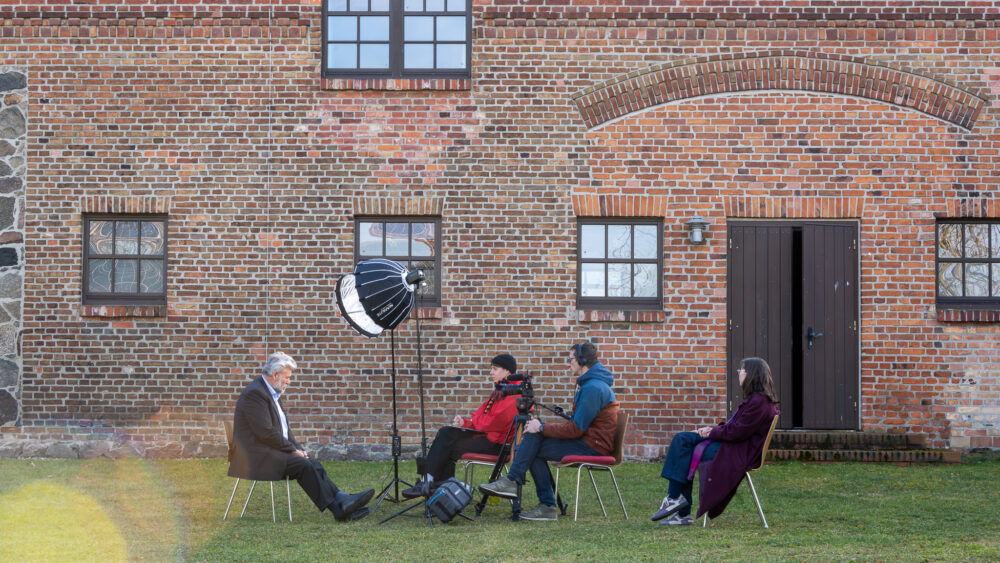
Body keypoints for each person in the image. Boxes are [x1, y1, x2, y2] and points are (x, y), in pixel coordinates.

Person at [479, 342, 619, 521]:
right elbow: (578, 426)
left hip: (593, 447)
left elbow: (575, 430)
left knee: (534, 439)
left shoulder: (593, 388)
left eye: (571, 360)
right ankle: (529, 493)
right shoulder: (591, 384)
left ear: (582, 361)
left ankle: (532, 494)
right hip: (588, 441)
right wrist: (540, 428)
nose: (568, 364)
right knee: (533, 438)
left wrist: (542, 427)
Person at [228, 352, 375, 521]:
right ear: (276, 375)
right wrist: (292, 451)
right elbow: (265, 433)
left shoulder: (270, 393)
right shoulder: (255, 394)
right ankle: (339, 509)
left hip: (266, 451)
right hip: (254, 457)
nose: (289, 382)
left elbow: (284, 430)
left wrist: (298, 449)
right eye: (287, 377)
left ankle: (342, 499)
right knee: (303, 465)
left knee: (311, 462)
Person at [651, 357, 780, 526]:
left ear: (752, 375)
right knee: (682, 440)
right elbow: (738, 428)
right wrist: (712, 429)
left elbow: (737, 432)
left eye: (742, 370)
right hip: (733, 446)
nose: (739, 374)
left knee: (684, 445)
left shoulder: (759, 402)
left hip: (736, 453)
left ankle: (678, 507)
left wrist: (712, 432)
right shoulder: (757, 400)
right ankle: (677, 506)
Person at [401, 353, 523, 498]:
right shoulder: (501, 390)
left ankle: (430, 484)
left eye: (495, 369)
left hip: (499, 447)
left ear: (507, 371)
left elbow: (487, 423)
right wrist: (464, 423)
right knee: (447, 435)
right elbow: (482, 416)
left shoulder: (514, 396)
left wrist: (474, 421)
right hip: (489, 439)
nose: (491, 372)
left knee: (447, 440)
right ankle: (440, 490)